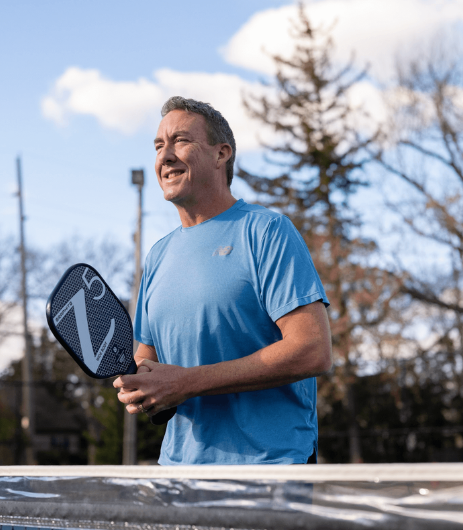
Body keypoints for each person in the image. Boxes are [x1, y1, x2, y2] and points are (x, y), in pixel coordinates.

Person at [113, 96, 333, 465]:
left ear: (221, 154)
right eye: (158, 145)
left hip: (270, 471)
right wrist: (141, 386)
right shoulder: (157, 256)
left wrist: (185, 383)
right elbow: (147, 359)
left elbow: (312, 349)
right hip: (178, 475)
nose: (165, 156)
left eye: (180, 140)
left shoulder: (267, 232)